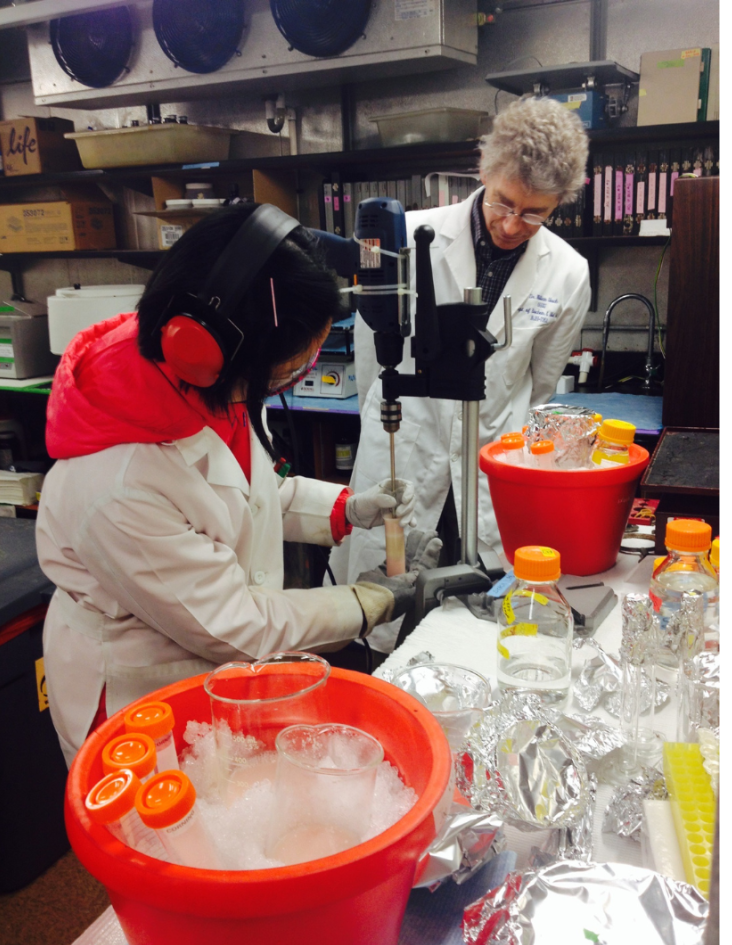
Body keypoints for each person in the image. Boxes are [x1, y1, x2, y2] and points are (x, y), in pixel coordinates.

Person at [36, 205, 438, 765]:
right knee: (172, 839)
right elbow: (235, 626)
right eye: (293, 363)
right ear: (216, 352)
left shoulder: (204, 385)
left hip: (225, 671)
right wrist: (368, 601)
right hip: (143, 695)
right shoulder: (115, 482)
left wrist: (350, 510)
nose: (302, 370)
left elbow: (249, 496)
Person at [333, 96, 592, 648]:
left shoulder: (568, 271)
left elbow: (540, 385)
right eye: (504, 203)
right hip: (408, 445)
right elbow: (370, 358)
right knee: (391, 617)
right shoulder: (406, 238)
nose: (512, 223)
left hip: (491, 466)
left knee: (483, 621)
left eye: (535, 213)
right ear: (484, 171)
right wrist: (384, 426)